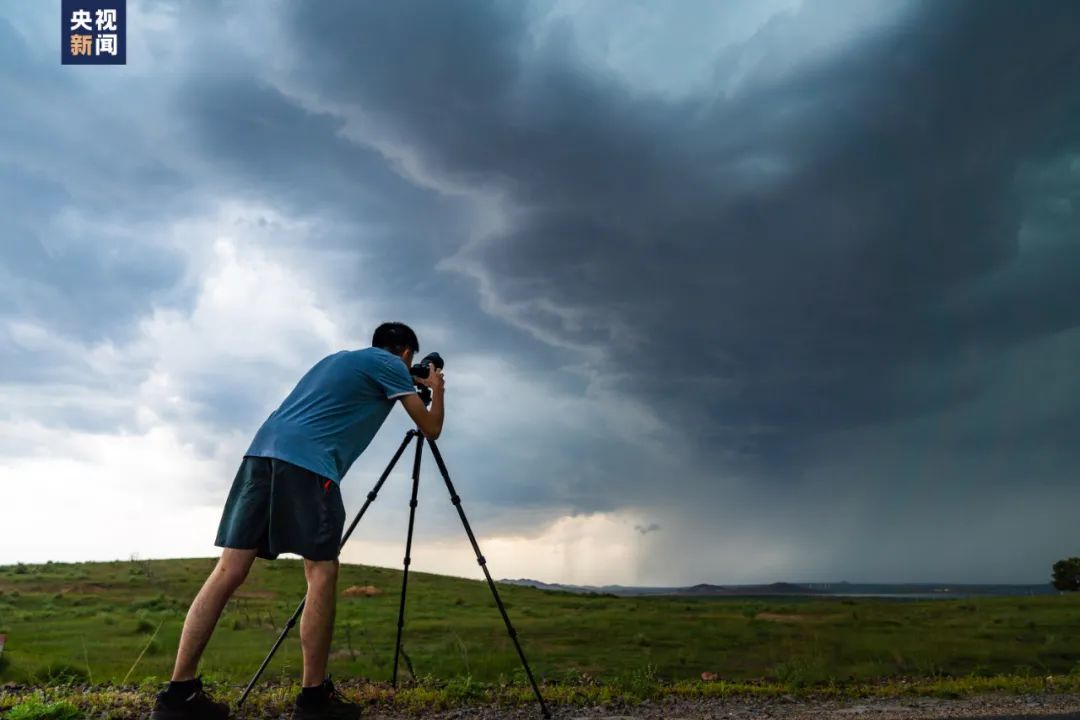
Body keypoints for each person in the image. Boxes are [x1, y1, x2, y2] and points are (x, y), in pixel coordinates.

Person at [149, 322, 445, 720]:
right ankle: (313, 700)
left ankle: (177, 695)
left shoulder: (340, 359)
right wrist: (436, 389)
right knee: (321, 572)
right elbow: (431, 428)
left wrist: (412, 380)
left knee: (229, 570)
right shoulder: (390, 364)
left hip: (260, 453)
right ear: (406, 352)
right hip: (308, 463)